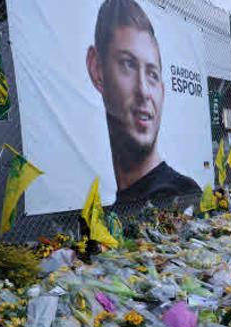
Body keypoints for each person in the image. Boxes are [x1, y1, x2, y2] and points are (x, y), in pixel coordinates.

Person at [86, 0, 201, 205]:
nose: (143, 91)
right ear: (97, 69)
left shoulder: (182, 194)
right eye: (128, 64)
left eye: (152, 74)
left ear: (163, 92)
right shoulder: (109, 205)